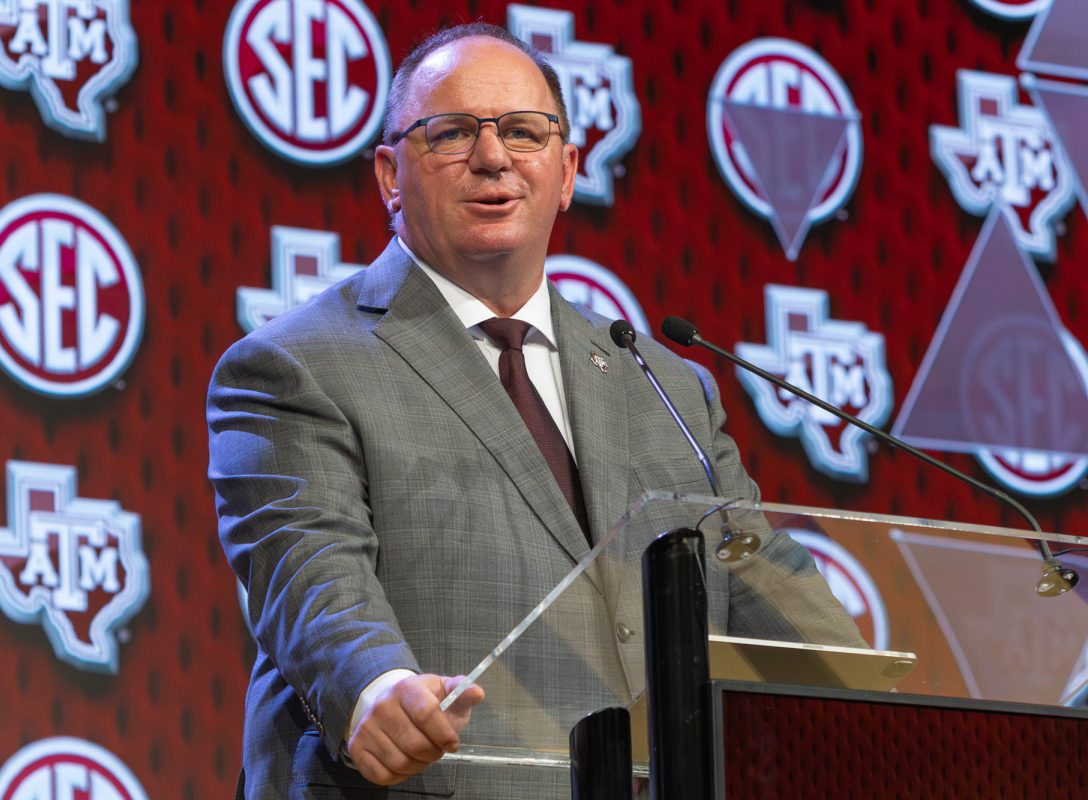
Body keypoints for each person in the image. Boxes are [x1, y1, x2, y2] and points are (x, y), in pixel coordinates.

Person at [207, 23, 863, 800]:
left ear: (567, 170)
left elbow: (759, 581)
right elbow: (311, 573)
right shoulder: (298, 364)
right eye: (451, 133)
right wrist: (377, 687)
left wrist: (890, 705)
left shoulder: (662, 383)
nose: (494, 157)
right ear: (389, 173)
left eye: (524, 131)